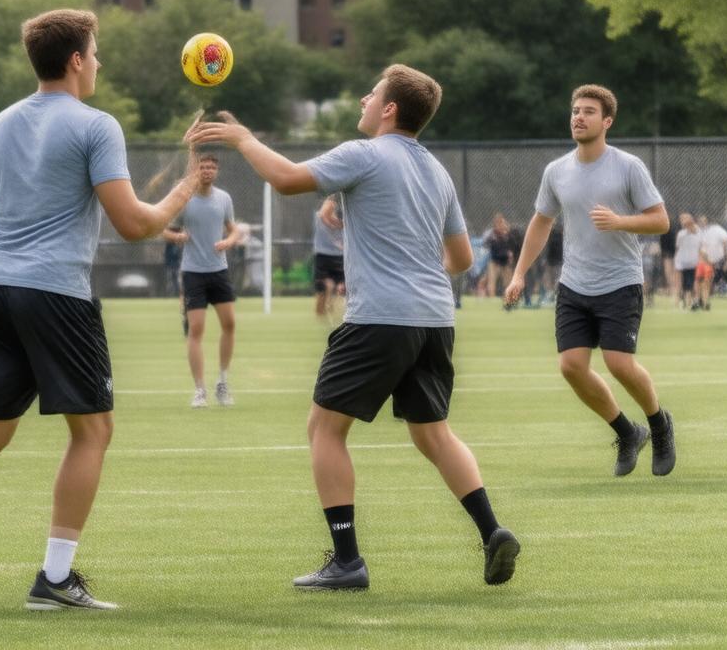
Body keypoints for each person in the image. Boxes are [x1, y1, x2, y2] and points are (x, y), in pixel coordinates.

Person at [0, 9, 199, 612]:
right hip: (56, 291)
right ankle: (55, 579)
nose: (100, 61)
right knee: (93, 429)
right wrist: (185, 188)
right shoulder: (96, 125)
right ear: (77, 60)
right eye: (97, 51)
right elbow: (134, 223)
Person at [189, 65, 519, 591]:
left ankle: (346, 561)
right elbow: (459, 259)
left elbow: (285, 179)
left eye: (373, 93)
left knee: (324, 429)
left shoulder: (363, 153)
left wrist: (242, 138)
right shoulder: (436, 171)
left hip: (379, 318)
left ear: (389, 109)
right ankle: (492, 530)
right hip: (434, 319)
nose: (365, 98)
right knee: (434, 433)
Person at [504, 84, 675, 478]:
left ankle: (659, 425)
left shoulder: (628, 166)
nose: (578, 117)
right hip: (574, 284)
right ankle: (626, 432)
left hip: (620, 281)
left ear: (607, 121)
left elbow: (660, 220)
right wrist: (518, 274)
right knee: (571, 366)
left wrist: (621, 221)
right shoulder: (556, 171)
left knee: (619, 364)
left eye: (589, 112)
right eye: (575, 111)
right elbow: (541, 223)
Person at [162, 153, 241, 408]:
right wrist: (176, 238)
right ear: (195, 171)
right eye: (202, 167)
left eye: (211, 167)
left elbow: (234, 229)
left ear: (216, 171)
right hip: (193, 272)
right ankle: (199, 390)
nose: (207, 171)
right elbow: (160, 226)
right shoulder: (184, 199)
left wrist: (228, 241)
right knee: (196, 330)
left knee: (229, 324)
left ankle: (222, 382)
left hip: (219, 272)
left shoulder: (224, 199)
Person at [312, 196, 345, 325]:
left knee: (338, 286)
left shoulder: (344, 218)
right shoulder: (320, 217)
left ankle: (328, 308)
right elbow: (324, 217)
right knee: (324, 286)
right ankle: (320, 313)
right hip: (323, 254)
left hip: (339, 255)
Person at [697, 215, 727, 301]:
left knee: (711, 277)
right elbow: (725, 244)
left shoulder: (711, 231)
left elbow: (724, 244)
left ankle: (715, 291)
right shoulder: (719, 231)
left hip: (711, 259)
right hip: (714, 259)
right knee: (712, 277)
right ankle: (713, 292)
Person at [673, 213, 701, 312]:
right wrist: (675, 261)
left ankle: (694, 301)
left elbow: (695, 232)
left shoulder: (697, 231)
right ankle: (683, 301)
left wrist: (689, 223)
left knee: (692, 282)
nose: (683, 221)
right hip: (682, 262)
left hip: (693, 262)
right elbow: (677, 248)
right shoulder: (681, 234)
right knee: (683, 283)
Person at [484, 214, 515, 299]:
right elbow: (489, 245)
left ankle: (508, 297)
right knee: (492, 280)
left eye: (502, 223)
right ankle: (492, 298)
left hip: (505, 261)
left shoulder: (508, 235)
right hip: (495, 261)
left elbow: (512, 245)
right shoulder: (492, 235)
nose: (501, 225)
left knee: (508, 281)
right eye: (499, 223)